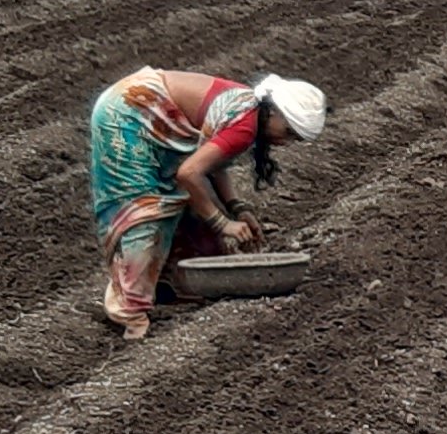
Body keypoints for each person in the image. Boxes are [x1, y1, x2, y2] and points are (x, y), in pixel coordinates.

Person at [84, 66, 326, 339]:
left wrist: (237, 208)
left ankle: (174, 281)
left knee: (193, 203)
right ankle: (129, 313)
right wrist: (222, 223)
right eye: (289, 131)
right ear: (274, 112)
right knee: (147, 212)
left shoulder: (249, 113)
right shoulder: (245, 124)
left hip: (143, 107)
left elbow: (213, 164)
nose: (286, 141)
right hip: (128, 113)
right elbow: (189, 173)